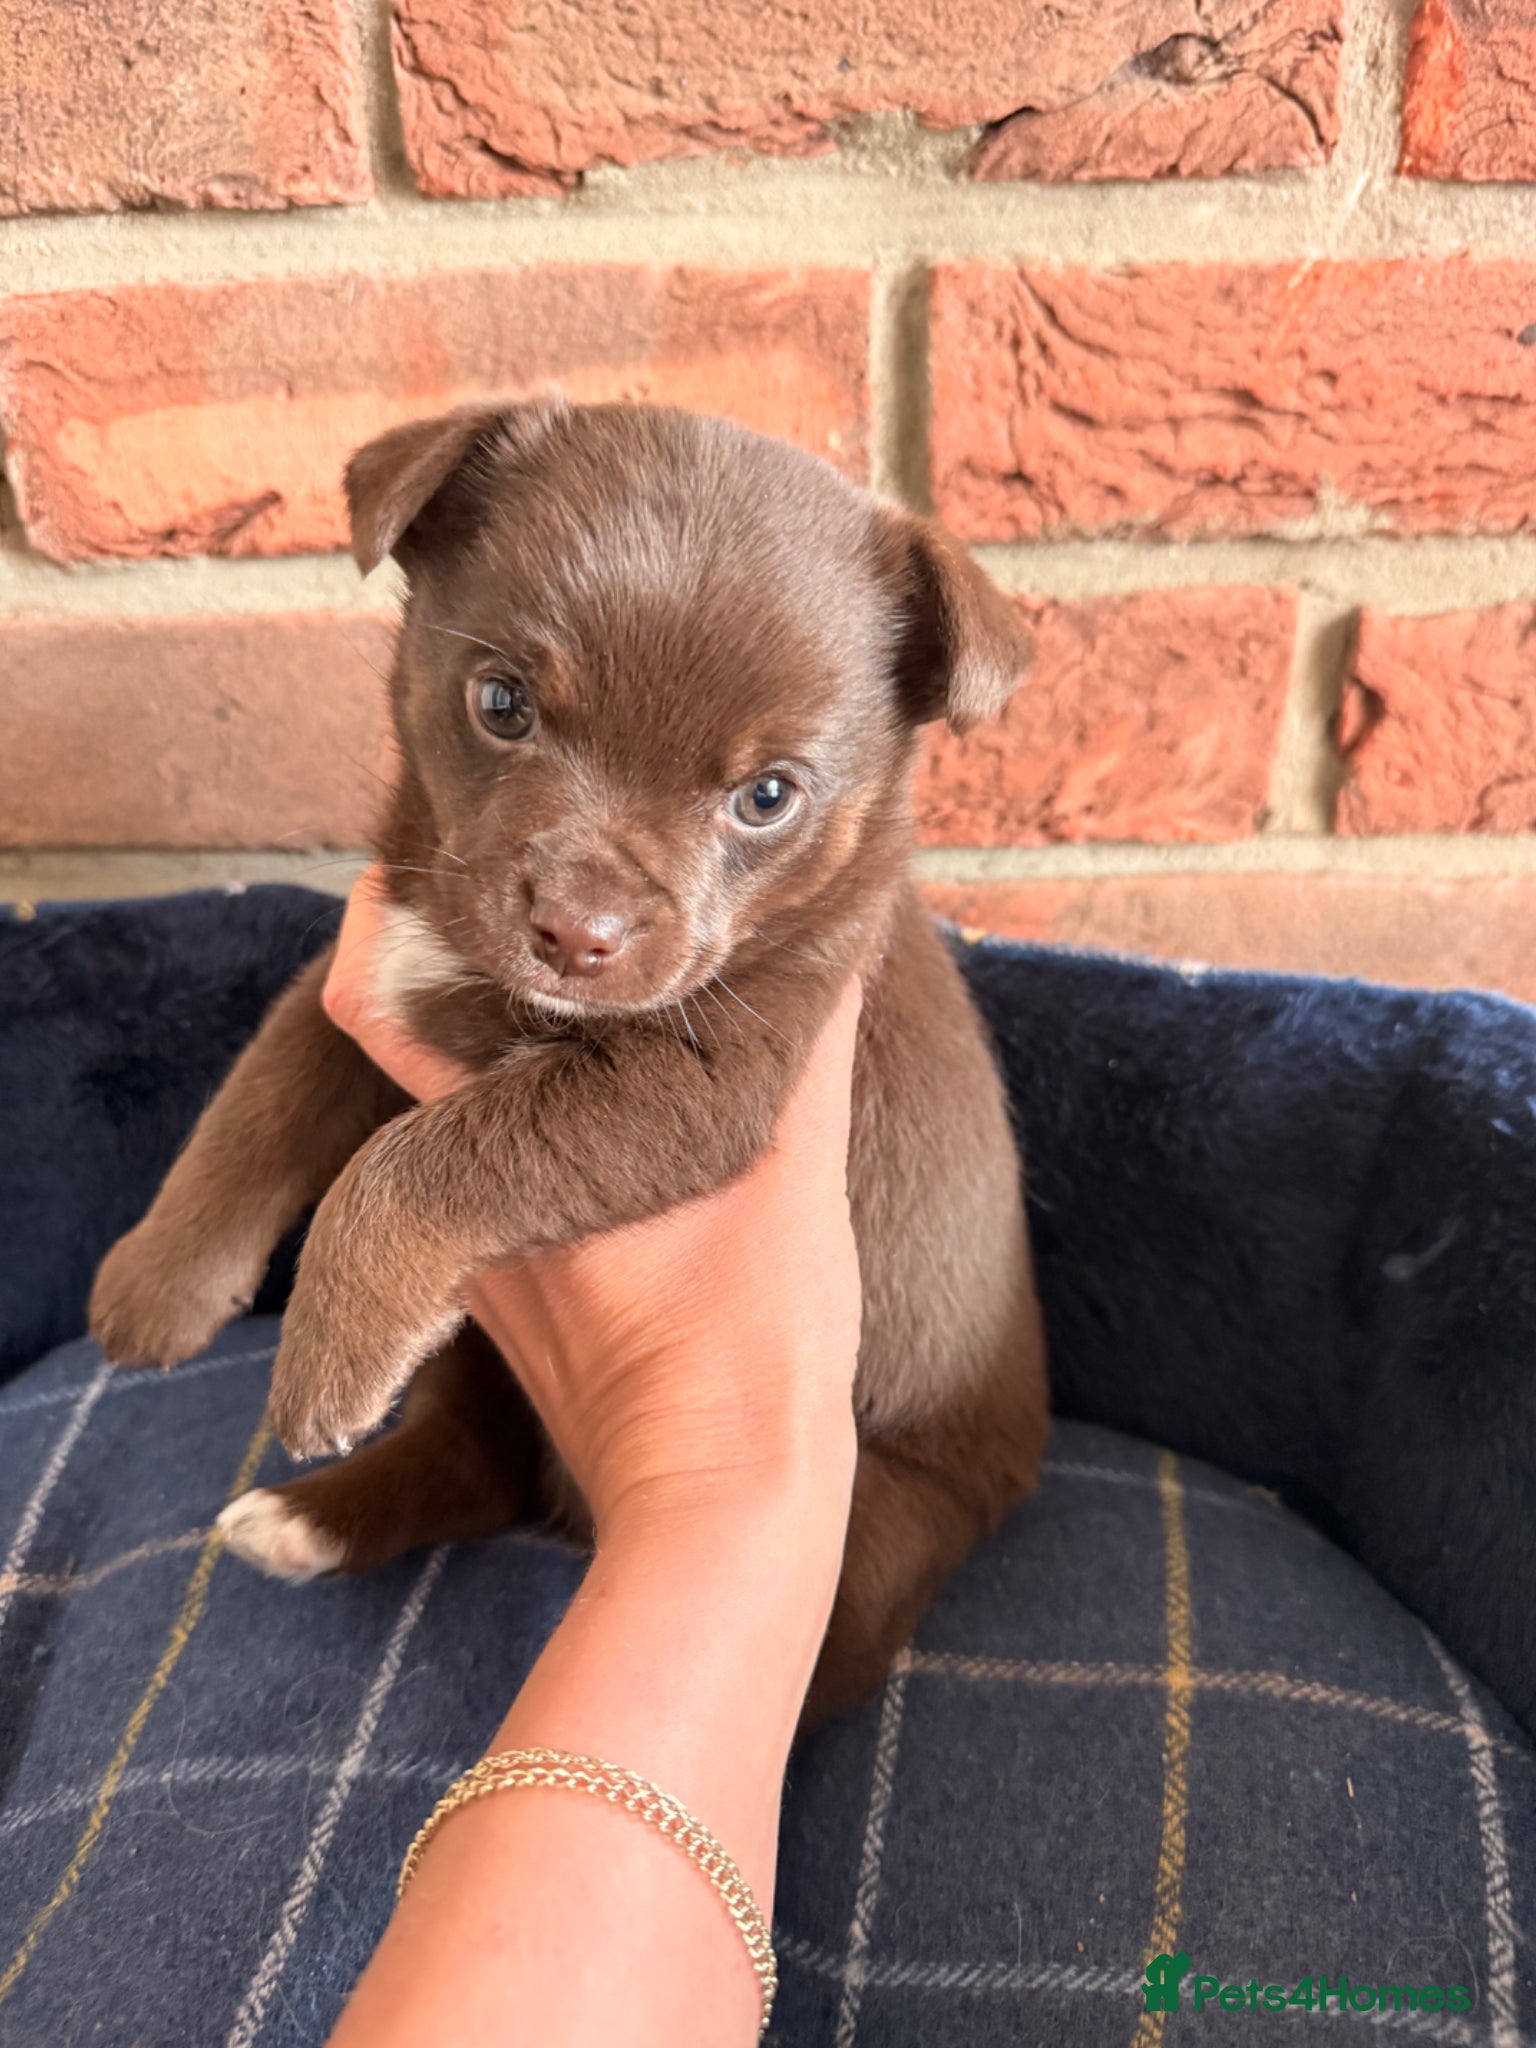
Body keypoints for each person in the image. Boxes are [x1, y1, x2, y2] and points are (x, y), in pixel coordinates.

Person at [320, 868, 865, 2048]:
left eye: (761, 798)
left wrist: (720, 1463)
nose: (588, 911)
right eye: (506, 711)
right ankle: (468, 1456)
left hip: (903, 1436)